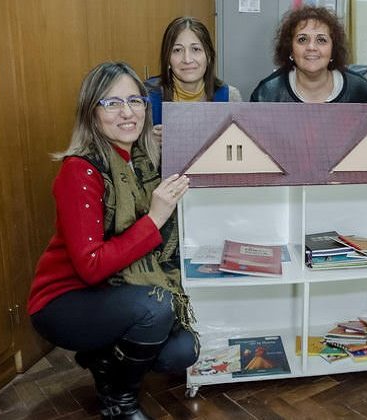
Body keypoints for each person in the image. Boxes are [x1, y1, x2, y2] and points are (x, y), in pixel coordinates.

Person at [28, 62, 199, 420]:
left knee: (181, 351)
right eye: (112, 103)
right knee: (156, 306)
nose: (127, 112)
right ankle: (119, 402)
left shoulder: (139, 161)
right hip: (64, 300)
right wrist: (155, 217)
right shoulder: (79, 171)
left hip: (116, 291)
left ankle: (103, 357)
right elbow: (91, 268)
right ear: (92, 112)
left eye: (135, 101)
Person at [250, 6, 367, 103]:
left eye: (321, 40)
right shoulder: (266, 93)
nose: (311, 47)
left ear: (333, 49)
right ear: (290, 49)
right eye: (302, 39)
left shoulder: (359, 89)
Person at [146, 16, 241, 137]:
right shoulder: (148, 96)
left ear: (209, 56)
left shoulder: (230, 97)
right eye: (177, 50)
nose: (187, 59)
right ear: (167, 58)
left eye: (195, 49)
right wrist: (148, 144)